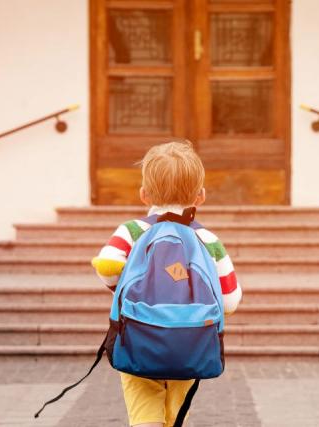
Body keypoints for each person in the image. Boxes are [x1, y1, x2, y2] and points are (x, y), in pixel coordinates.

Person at [91, 140, 243, 427]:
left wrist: (135, 290)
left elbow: (107, 267)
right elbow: (229, 301)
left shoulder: (132, 231)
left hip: (137, 338)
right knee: (176, 418)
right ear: (200, 197)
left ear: (144, 195)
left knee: (144, 414)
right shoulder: (207, 240)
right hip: (189, 343)